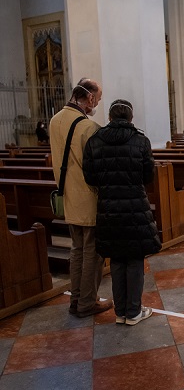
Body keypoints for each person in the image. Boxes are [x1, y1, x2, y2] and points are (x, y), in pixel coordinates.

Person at [83, 99, 160, 326]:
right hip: (135, 205)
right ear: (131, 118)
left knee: (116, 259)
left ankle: (121, 311)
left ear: (109, 117)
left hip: (108, 207)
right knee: (135, 258)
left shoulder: (94, 141)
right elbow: (148, 175)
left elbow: (90, 176)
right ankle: (134, 312)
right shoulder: (140, 141)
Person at [49, 78, 112, 318]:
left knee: (76, 251)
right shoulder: (89, 127)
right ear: (89, 98)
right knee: (93, 254)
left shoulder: (55, 121)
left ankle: (76, 300)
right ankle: (87, 302)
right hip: (88, 199)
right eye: (98, 98)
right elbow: (97, 168)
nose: (97, 103)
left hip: (67, 197)